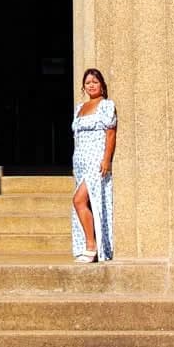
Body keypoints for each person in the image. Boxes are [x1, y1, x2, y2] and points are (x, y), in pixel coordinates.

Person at [71, 66, 116, 263]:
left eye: (95, 82)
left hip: (95, 160)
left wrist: (106, 159)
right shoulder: (79, 108)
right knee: (83, 202)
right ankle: (86, 245)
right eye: (88, 83)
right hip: (80, 161)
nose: (91, 85)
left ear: (102, 85)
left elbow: (110, 133)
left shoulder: (106, 105)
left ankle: (92, 245)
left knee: (79, 200)